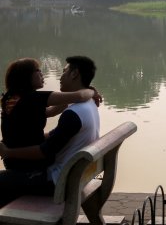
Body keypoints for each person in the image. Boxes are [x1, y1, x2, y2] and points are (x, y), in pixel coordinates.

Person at [0, 56, 100, 207]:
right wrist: (90, 91)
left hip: (37, 169)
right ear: (26, 76)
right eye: (37, 71)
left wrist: (8, 152)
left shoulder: (16, 99)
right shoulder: (33, 99)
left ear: (74, 74)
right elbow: (79, 96)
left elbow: (52, 112)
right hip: (29, 165)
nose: (42, 74)